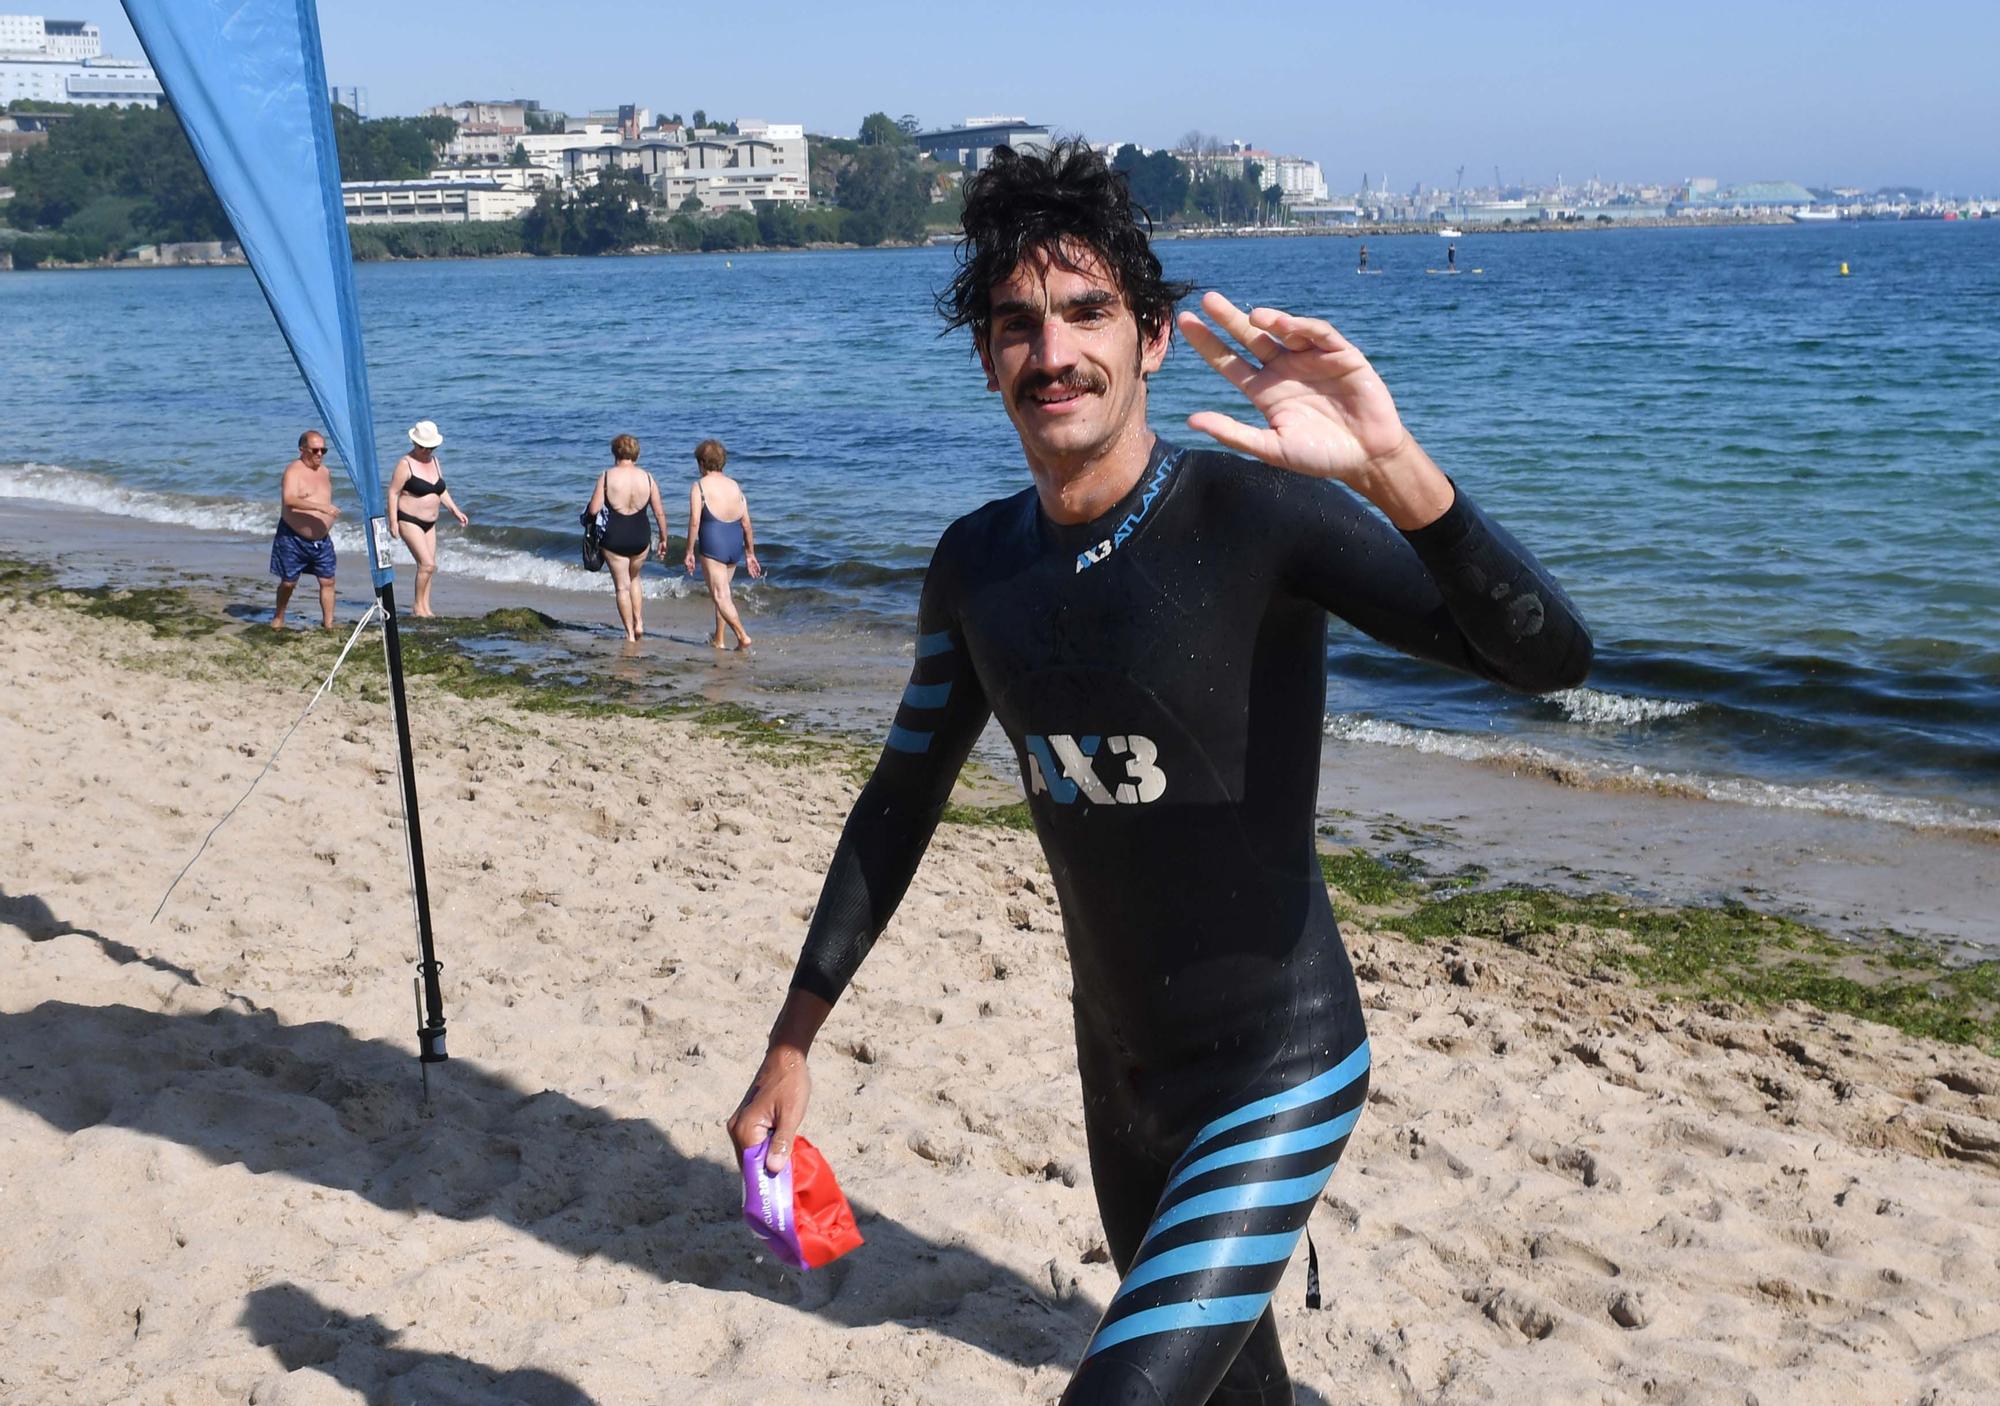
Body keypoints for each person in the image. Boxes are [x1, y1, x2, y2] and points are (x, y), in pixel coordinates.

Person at [726, 141, 1593, 1405]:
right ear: (986, 362)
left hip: (1280, 1066)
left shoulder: (1258, 519)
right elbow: (898, 801)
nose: (1053, 350)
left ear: (1149, 340)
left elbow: (1547, 660)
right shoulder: (977, 568)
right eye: (1017, 325)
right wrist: (792, 1039)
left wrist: (1391, 468)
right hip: (1122, 1079)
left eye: (1087, 313)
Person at [586, 434, 668, 642]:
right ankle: (639, 621)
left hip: (615, 536)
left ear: (615, 453)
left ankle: (630, 634)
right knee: (635, 578)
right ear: (636, 454)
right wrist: (664, 538)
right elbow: (659, 513)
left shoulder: (606, 476)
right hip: (640, 536)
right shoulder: (648, 478)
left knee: (622, 586)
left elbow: (594, 510)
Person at [682, 437, 762, 650]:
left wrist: (689, 551)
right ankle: (719, 639)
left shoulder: (699, 487)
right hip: (734, 544)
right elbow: (746, 523)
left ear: (701, 463)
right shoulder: (735, 486)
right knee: (723, 594)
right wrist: (750, 553)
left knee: (719, 595)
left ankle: (742, 636)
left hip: (714, 543)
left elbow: (695, 522)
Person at [385, 420, 470, 618]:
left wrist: (455, 510)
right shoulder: (405, 464)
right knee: (427, 564)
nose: (427, 450)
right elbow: (393, 493)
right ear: (415, 443)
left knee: (429, 566)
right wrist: (393, 521)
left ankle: (426, 608)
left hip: (430, 523)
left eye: (431, 447)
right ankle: (417, 607)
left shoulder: (434, 461)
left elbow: (441, 490)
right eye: (424, 447)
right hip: (409, 520)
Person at [269, 429, 340, 629]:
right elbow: (290, 500)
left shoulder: (325, 472)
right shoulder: (293, 471)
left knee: (328, 581)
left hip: (321, 540)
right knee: (289, 582)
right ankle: (279, 616)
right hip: (293, 538)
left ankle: (328, 624)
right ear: (302, 450)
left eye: (323, 451)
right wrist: (320, 507)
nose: (319, 455)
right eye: (315, 450)